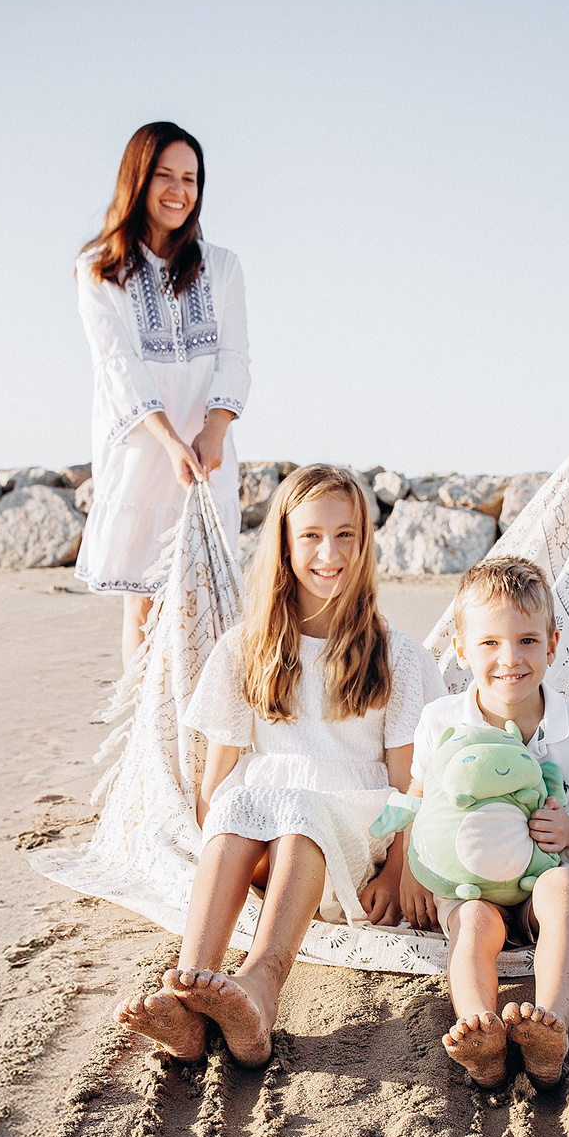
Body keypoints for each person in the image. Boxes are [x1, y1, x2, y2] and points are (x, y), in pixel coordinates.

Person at [115, 465, 438, 1066]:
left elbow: (408, 779)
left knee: (300, 812)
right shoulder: (246, 646)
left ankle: (261, 990)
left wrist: (402, 867)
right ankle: (189, 993)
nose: (329, 552)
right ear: (285, 544)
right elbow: (217, 781)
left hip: (352, 829)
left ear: (365, 543)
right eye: (312, 535)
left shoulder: (399, 655)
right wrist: (229, 857)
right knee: (240, 804)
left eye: (346, 535)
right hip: (261, 833)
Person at [397, 557, 569, 1088]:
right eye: (490, 643)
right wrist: (408, 869)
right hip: (468, 880)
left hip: (544, 873)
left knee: (567, 886)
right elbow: (419, 798)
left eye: (527, 641)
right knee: (473, 922)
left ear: (551, 644)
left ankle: (550, 1030)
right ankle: (480, 1034)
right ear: (461, 649)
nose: (510, 659)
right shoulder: (442, 720)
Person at [74, 122, 249, 666]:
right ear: (139, 180)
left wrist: (213, 430)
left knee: (206, 599)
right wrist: (170, 441)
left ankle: (199, 733)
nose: (179, 191)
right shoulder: (100, 268)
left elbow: (234, 357)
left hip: (208, 451)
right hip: (141, 450)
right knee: (145, 604)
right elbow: (118, 366)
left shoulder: (222, 267)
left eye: (191, 179)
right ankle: (144, 740)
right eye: (165, 176)